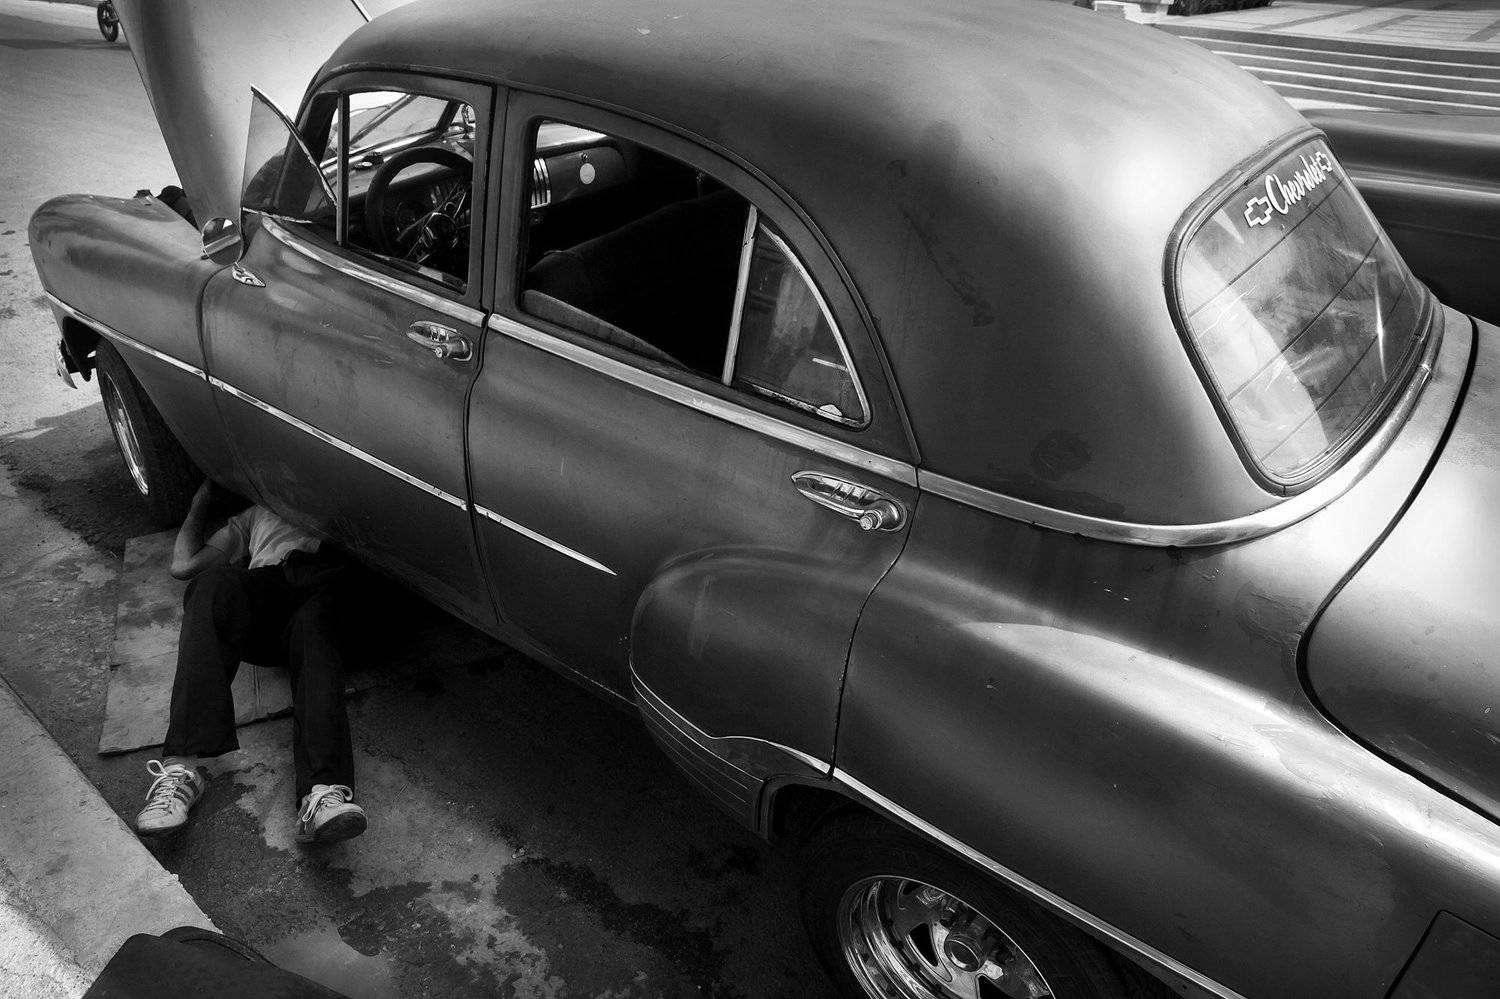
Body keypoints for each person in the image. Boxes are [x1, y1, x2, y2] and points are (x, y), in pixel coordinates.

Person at [135, 481, 366, 844]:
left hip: (328, 598)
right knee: (210, 584)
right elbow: (182, 566)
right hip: (269, 599)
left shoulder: (341, 492)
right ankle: (180, 772)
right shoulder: (255, 513)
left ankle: (322, 793)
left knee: (317, 621)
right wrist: (201, 499)